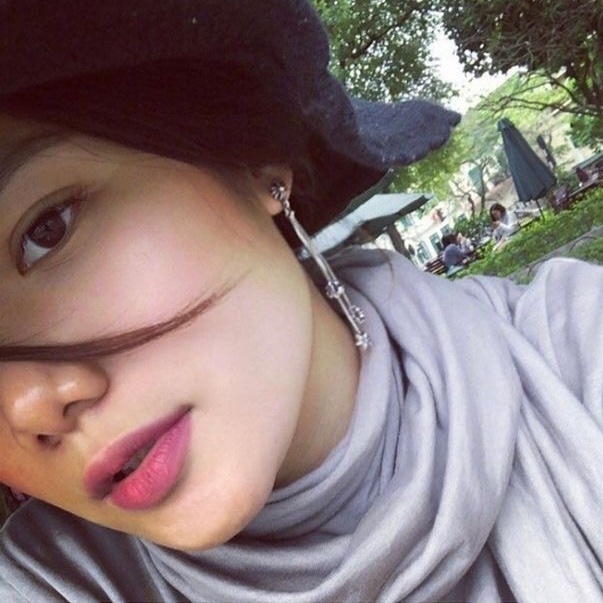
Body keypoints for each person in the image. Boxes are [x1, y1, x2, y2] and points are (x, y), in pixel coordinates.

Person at [1, 2, 603, 602]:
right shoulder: (45, 582)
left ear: (252, 159)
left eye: (46, 231)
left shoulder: (574, 356)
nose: (26, 408)